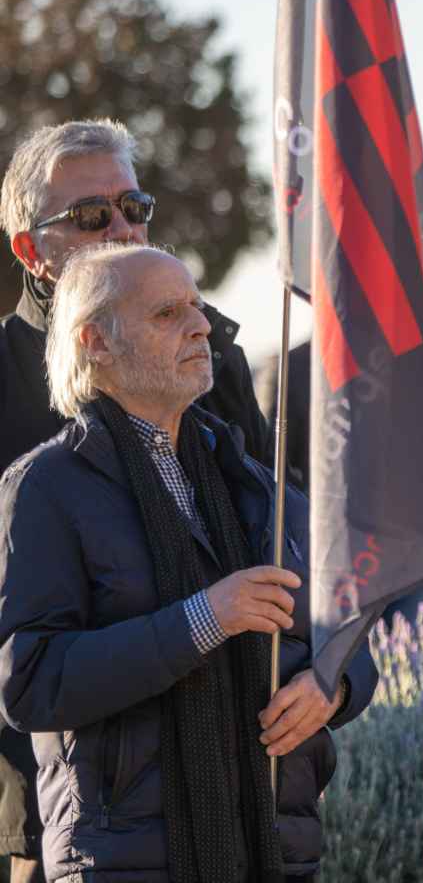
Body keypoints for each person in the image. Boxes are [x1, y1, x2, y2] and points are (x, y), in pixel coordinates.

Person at [0, 244, 376, 882]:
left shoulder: (259, 486)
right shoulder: (43, 487)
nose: (201, 326)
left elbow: (348, 632)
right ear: (96, 342)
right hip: (125, 861)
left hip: (273, 849)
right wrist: (202, 620)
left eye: (197, 308)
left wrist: (332, 688)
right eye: (168, 314)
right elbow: (30, 683)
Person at [0, 119, 272, 882]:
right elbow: (27, 657)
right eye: (91, 217)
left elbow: (279, 548)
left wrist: (331, 682)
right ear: (31, 250)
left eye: (134, 206)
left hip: (235, 783)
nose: (120, 227)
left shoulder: (211, 354)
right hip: (64, 796)